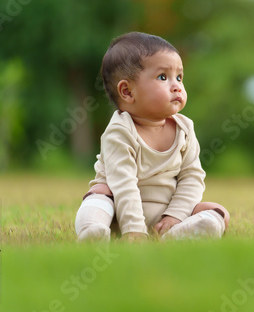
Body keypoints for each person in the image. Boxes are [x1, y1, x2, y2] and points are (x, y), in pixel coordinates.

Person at [74, 32, 230, 242]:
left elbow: (192, 177)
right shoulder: (120, 132)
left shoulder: (185, 129)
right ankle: (92, 229)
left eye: (179, 77)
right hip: (119, 214)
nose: (176, 85)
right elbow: (124, 184)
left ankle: (177, 235)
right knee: (100, 193)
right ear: (127, 92)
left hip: (165, 214)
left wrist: (175, 215)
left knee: (218, 211)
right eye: (163, 77)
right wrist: (134, 229)